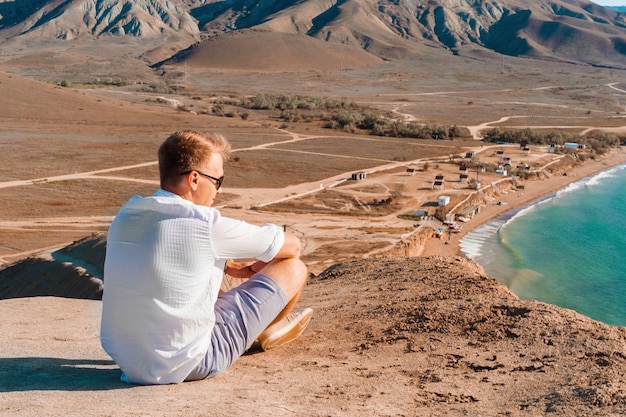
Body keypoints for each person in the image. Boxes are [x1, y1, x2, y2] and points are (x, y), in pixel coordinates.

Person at [100, 130, 312, 385]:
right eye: (218, 181)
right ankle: (267, 330)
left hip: (129, 362)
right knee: (294, 268)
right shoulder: (204, 224)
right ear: (194, 179)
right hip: (195, 362)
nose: (219, 191)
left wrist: (224, 264)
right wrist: (261, 257)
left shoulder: (127, 214)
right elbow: (292, 247)